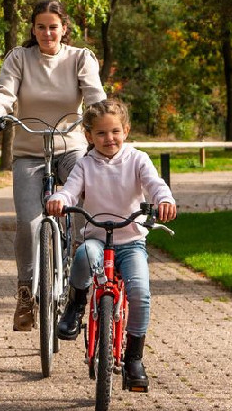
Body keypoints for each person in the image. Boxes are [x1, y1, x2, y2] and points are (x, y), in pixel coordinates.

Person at [0, 0, 106, 331]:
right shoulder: (19, 58)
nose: (47, 33)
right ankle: (25, 293)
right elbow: (5, 93)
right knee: (28, 222)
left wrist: (102, 124)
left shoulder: (80, 58)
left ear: (64, 28)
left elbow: (94, 97)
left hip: (70, 147)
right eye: (40, 27)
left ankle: (81, 278)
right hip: (30, 151)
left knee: (82, 209)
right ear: (32, 30)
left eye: (53, 26)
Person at [46, 97, 177, 392]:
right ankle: (76, 306)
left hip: (130, 242)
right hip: (96, 238)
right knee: (81, 256)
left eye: (115, 131)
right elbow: (70, 191)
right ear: (89, 137)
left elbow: (155, 184)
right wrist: (59, 200)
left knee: (141, 293)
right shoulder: (85, 164)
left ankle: (134, 359)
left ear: (126, 130)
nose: (109, 138)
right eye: (101, 133)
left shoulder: (137, 159)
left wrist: (164, 200)